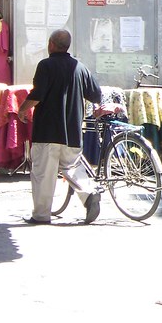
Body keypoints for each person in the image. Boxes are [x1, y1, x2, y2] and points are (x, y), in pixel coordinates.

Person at [16, 29, 102, 225]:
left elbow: (38, 95)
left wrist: (22, 109)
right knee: (72, 167)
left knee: (43, 175)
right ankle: (89, 195)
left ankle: (41, 215)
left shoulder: (45, 66)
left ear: (51, 44)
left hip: (47, 131)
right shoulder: (80, 67)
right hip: (72, 131)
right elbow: (96, 95)